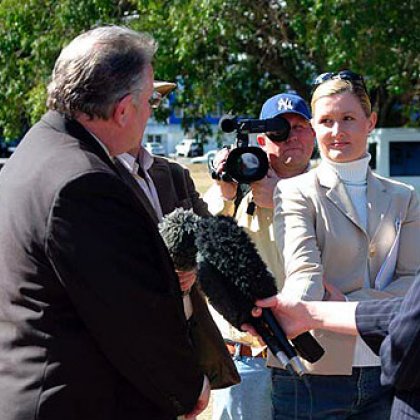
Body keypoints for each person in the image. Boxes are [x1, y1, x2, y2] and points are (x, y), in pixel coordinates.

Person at [0, 25, 210, 420]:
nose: (151, 112)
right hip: (77, 401)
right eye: (150, 101)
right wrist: (188, 385)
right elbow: (130, 315)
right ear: (123, 109)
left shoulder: (37, 151)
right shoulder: (85, 182)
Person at [272, 71, 420, 419]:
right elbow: (304, 273)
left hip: (387, 370)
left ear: (371, 122)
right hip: (311, 373)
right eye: (326, 121)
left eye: (348, 119)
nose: (337, 132)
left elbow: (413, 282)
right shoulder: (293, 191)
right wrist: (302, 306)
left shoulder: (405, 197)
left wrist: (344, 306)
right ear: (312, 126)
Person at [116, 83, 239, 392]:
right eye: (146, 99)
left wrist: (193, 268)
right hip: (126, 349)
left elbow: (215, 241)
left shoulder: (173, 174)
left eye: (153, 101)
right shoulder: (96, 176)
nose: (150, 108)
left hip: (182, 344)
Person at [204, 92, 315, 419]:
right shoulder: (238, 186)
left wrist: (279, 198)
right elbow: (204, 247)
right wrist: (226, 193)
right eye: (281, 128)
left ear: (313, 134)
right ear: (263, 138)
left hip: (309, 358)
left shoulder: (329, 188)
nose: (292, 135)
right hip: (246, 359)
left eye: (300, 126)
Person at [245, 268, 420, 419]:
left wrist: (340, 303)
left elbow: (405, 344)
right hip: (313, 376)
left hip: (379, 378)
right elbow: (305, 269)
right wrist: (304, 314)